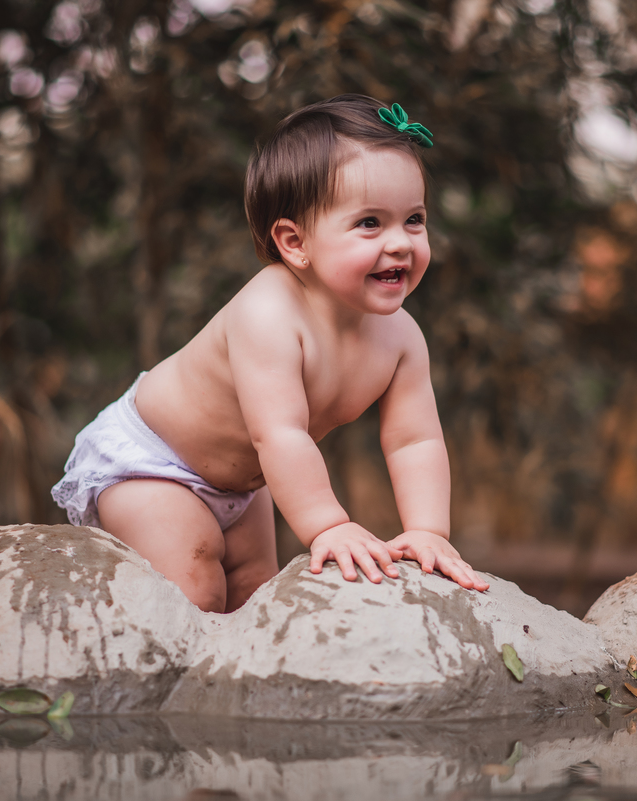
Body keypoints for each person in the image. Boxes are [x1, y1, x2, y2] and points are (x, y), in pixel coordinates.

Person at [52, 94, 490, 613]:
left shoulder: (401, 337)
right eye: (370, 223)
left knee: (255, 594)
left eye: (413, 220)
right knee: (196, 592)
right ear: (295, 242)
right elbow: (279, 434)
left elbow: (414, 440)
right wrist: (331, 525)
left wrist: (427, 531)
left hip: (246, 479)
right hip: (153, 462)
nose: (400, 243)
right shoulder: (269, 314)